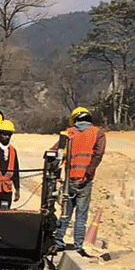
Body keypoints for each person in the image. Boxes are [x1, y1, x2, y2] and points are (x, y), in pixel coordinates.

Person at [50, 107, 106, 254]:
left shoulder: (68, 133)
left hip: (69, 180)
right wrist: (87, 175)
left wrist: (55, 174)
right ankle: (78, 245)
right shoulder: (97, 133)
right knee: (81, 215)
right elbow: (98, 155)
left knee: (65, 213)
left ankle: (58, 241)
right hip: (85, 181)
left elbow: (54, 153)